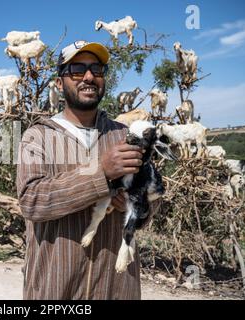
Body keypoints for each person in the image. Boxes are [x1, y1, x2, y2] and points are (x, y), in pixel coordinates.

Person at [16, 40, 161, 300]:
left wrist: (131, 205)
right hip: (56, 289)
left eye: (97, 69)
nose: (89, 76)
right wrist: (101, 174)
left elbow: (151, 202)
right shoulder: (37, 137)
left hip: (117, 289)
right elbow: (31, 201)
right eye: (76, 69)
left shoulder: (125, 136)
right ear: (59, 83)